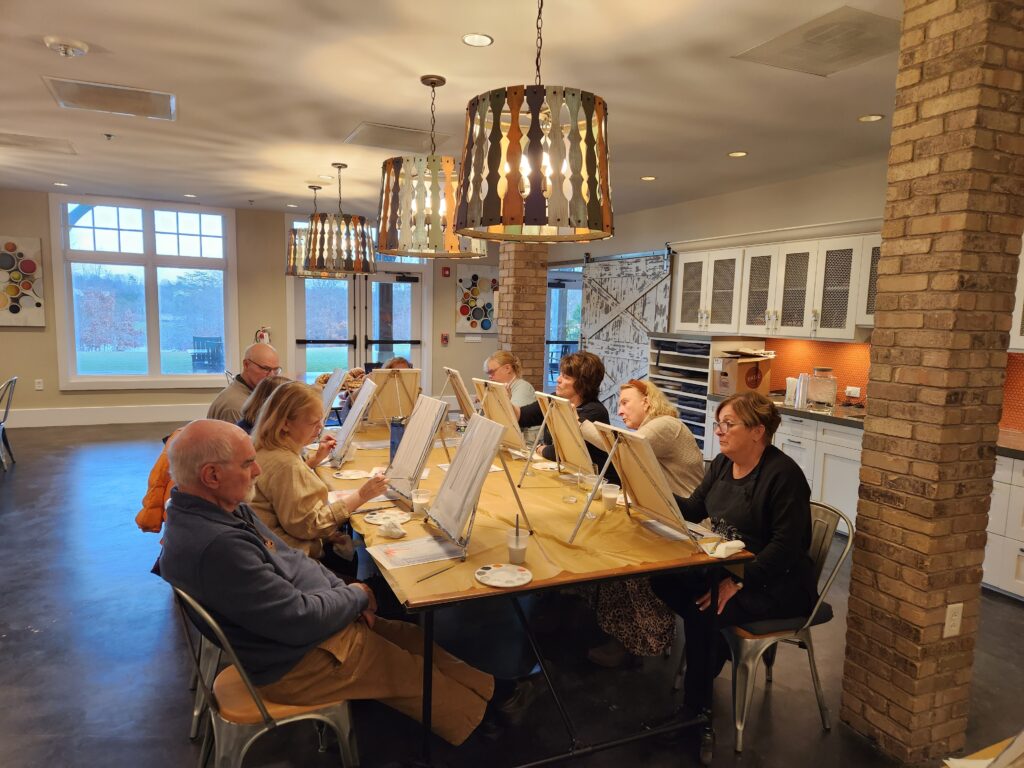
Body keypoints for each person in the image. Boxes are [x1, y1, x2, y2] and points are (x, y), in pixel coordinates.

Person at [156, 419, 506, 746]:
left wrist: (344, 595)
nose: (258, 470)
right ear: (212, 475)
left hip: (288, 637)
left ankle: (492, 691)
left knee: (407, 635)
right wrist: (356, 595)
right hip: (289, 665)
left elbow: (294, 561)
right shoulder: (218, 545)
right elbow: (298, 619)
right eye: (248, 464)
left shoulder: (219, 508)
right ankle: (483, 726)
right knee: (406, 670)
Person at [651, 392, 816, 716]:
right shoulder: (724, 463)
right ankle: (716, 649)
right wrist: (652, 487)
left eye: (728, 424)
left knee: (702, 613)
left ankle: (695, 714)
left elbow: (785, 549)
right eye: (718, 423)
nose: (718, 431)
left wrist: (739, 583)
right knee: (663, 580)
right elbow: (694, 508)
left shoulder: (783, 476)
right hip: (731, 566)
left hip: (778, 583)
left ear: (757, 431)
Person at [580, 379, 706, 667]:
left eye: (626, 402)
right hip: (665, 517)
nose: (620, 410)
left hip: (688, 525)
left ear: (647, 401)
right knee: (607, 547)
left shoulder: (665, 425)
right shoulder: (656, 427)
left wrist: (580, 425)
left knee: (626, 562)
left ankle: (642, 640)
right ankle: (619, 632)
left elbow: (622, 447)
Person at [248, 382, 387, 569]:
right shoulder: (286, 464)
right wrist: (361, 496)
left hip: (272, 549)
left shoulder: (267, 448)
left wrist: (315, 460)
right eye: (314, 422)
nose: (321, 427)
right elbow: (309, 526)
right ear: (286, 424)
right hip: (289, 561)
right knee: (352, 557)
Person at [515, 351, 617, 483]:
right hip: (571, 476)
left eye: (566, 377)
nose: (558, 379)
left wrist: (541, 448)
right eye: (561, 374)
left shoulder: (595, 412)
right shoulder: (556, 400)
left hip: (597, 483)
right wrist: (503, 400)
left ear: (582, 384)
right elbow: (523, 416)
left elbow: (563, 452)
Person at [208, 342, 281, 423]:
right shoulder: (235, 406)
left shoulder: (254, 393)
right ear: (246, 364)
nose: (272, 376)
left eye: (276, 370)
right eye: (265, 369)